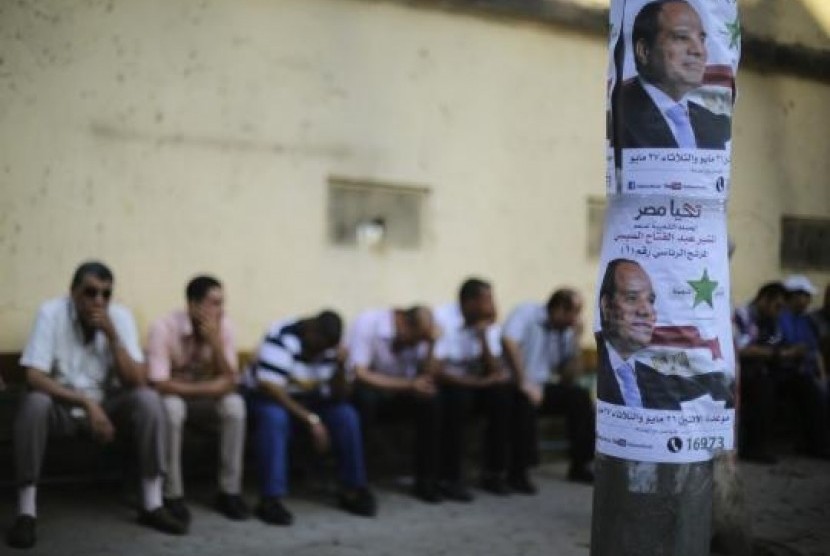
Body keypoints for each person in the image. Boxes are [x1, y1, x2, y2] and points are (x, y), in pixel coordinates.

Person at [6, 262, 185, 550]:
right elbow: (34, 376)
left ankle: (153, 504)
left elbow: (137, 380)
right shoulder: (51, 313)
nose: (98, 301)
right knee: (34, 403)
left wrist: (113, 337)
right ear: (73, 293)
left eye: (106, 294)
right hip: (63, 406)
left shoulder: (119, 318)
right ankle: (26, 513)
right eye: (90, 293)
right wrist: (87, 404)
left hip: (109, 408)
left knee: (149, 400)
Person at [244, 310, 376, 526]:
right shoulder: (281, 337)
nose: (321, 352)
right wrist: (311, 421)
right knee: (274, 418)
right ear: (311, 331)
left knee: (346, 415)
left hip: (310, 401)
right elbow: (271, 389)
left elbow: (341, 395)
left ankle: (353, 489)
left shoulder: (332, 347)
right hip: (269, 399)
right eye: (319, 345)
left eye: (327, 347)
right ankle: (270, 499)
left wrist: (341, 367)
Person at [146, 275, 248, 524]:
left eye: (222, 303)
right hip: (173, 397)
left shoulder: (224, 327)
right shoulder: (163, 327)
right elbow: (159, 383)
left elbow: (231, 380)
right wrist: (211, 388)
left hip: (200, 398)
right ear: (192, 305)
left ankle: (229, 492)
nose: (220, 310)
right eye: (214, 303)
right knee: (172, 409)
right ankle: (173, 495)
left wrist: (215, 343)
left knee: (235, 406)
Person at [597, 258, 733, 409]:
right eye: (632, 298)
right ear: (607, 306)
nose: (646, 311)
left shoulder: (650, 372)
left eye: (651, 300)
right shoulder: (597, 362)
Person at [347, 306, 444, 503]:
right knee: (364, 400)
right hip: (369, 391)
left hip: (400, 392)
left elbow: (428, 376)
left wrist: (432, 344)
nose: (416, 344)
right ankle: (357, 483)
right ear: (401, 322)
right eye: (415, 339)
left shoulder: (420, 336)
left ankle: (426, 481)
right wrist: (409, 385)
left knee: (432, 401)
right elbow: (360, 374)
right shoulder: (369, 323)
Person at [433, 278, 517, 499]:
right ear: (468, 303)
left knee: (502, 397)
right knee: (457, 401)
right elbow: (439, 372)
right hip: (448, 385)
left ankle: (494, 473)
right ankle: (449, 478)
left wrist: (482, 337)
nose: (491, 306)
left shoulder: (485, 323)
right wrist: (480, 383)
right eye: (486, 300)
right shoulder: (443, 320)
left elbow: (494, 371)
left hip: (474, 383)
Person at [502, 289, 595, 485]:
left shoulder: (565, 332)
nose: (575, 319)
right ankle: (518, 472)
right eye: (574, 312)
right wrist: (524, 382)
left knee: (579, 397)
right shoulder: (527, 312)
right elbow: (509, 342)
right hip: (515, 383)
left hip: (542, 386)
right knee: (524, 403)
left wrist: (576, 341)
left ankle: (580, 465)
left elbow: (568, 377)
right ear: (560, 309)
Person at [618, 0, 730, 149]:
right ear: (644, 51)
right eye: (682, 37)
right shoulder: (620, 115)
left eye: (701, 39)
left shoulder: (711, 124)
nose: (699, 51)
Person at [733, 282, 793, 462]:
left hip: (767, 368)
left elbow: (777, 343)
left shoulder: (773, 321)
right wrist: (777, 353)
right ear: (764, 299)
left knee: (803, 382)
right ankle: (754, 448)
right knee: (763, 384)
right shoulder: (742, 315)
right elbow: (741, 349)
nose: (779, 311)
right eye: (777, 306)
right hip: (743, 370)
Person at [777, 275, 829, 458]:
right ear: (795, 296)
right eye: (805, 295)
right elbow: (783, 347)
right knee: (813, 391)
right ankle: (818, 446)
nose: (809, 301)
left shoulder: (804, 320)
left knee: (822, 387)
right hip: (787, 372)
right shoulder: (781, 317)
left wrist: (822, 376)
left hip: (808, 371)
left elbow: (815, 352)